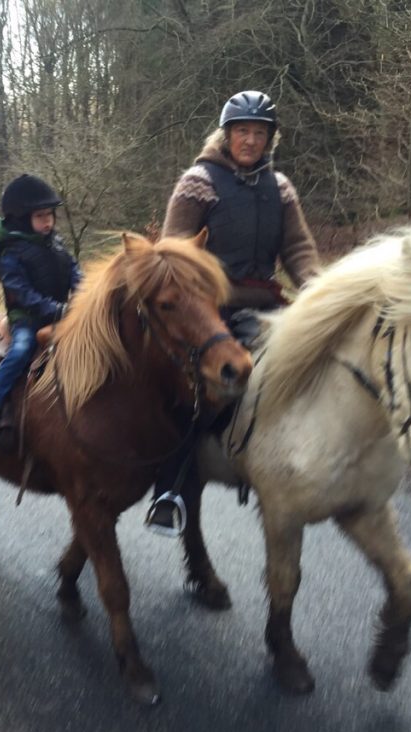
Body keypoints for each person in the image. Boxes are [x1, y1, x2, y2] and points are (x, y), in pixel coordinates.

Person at [147, 89, 322, 534]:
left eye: (259, 133)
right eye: (242, 131)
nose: (250, 140)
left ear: (270, 139)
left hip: (265, 304)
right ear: (226, 135)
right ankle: (170, 489)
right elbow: (175, 252)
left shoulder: (280, 188)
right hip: (209, 309)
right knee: (189, 397)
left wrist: (320, 292)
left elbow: (299, 249)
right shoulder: (198, 182)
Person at [0, 174, 83, 435]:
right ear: (23, 219)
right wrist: (52, 309)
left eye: (49, 215)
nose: (48, 221)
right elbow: (20, 291)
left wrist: (85, 292)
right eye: (40, 216)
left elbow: (73, 271)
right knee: (21, 350)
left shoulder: (55, 243)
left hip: (62, 313)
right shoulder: (10, 252)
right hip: (27, 318)